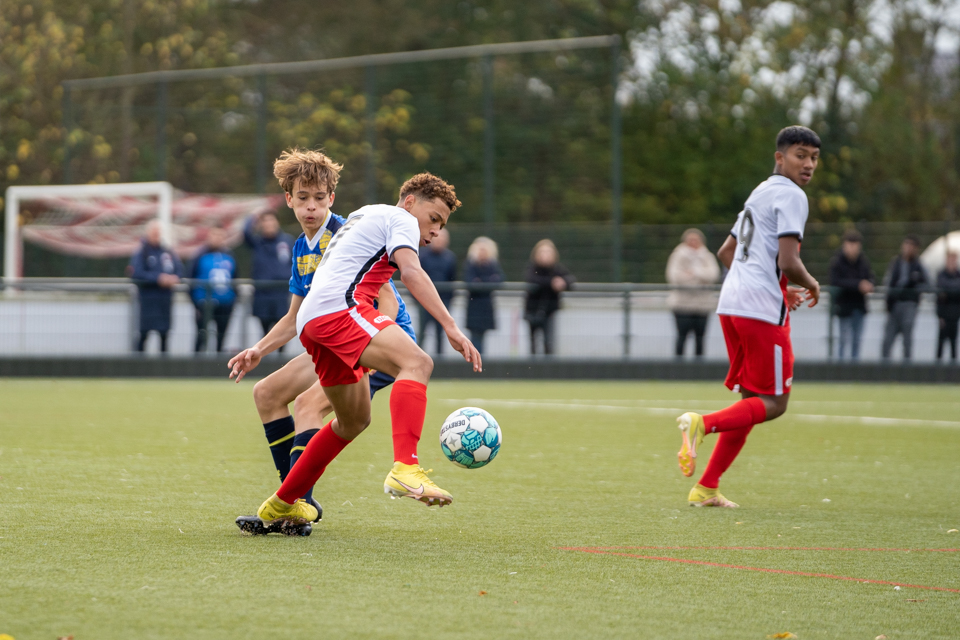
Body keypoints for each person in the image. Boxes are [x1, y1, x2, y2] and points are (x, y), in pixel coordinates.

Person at [236, 173, 480, 529]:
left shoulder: (364, 215)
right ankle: (406, 468)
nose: (435, 231)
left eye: (441, 225)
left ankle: (283, 502)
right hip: (340, 311)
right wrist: (451, 327)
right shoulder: (400, 219)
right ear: (410, 202)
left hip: (313, 322)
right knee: (418, 361)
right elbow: (411, 272)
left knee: (353, 421)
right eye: (434, 219)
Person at [674, 125, 822, 508]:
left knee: (750, 402)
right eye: (800, 155)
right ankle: (701, 423)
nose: (808, 164)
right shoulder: (793, 196)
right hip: (759, 311)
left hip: (732, 304)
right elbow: (789, 262)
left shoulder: (760, 191)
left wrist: (776, 286)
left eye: (814, 158)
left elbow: (726, 252)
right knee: (775, 403)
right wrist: (811, 283)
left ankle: (706, 487)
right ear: (780, 157)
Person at [129, 220, 183, 353]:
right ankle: (138, 367)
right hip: (147, 301)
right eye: (154, 233)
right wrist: (158, 278)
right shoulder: (141, 252)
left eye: (158, 233)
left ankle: (164, 369)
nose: (156, 236)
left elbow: (180, 270)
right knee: (144, 334)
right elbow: (137, 273)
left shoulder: (167, 252)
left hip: (164, 301)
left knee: (164, 335)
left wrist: (174, 278)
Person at [665, 228, 721, 357]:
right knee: (682, 336)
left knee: (700, 338)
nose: (693, 242)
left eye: (696, 239)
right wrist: (700, 280)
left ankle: (699, 370)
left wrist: (694, 272)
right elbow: (674, 277)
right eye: (690, 239)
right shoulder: (677, 255)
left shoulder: (707, 256)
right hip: (682, 305)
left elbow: (713, 275)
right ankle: (678, 368)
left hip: (702, 305)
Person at [244, 211, 295, 341]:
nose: (269, 225)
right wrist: (253, 218)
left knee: (282, 326)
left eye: (271, 221)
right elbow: (245, 233)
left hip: (281, 292)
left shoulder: (287, 241)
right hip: (262, 293)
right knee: (265, 327)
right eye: (265, 222)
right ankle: (264, 356)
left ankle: (280, 359)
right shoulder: (258, 242)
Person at [829, 229, 875, 359]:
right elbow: (836, 281)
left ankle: (854, 371)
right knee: (843, 340)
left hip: (859, 307)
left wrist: (869, 285)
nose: (853, 248)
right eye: (850, 244)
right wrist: (858, 285)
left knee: (857, 341)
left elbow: (871, 278)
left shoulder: (863, 261)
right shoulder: (837, 261)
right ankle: (841, 371)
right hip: (844, 308)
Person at [881, 235, 928, 360]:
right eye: (906, 244)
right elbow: (888, 282)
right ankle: (883, 370)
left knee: (907, 338)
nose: (908, 248)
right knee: (888, 339)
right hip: (894, 305)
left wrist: (915, 287)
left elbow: (927, 284)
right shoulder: (895, 263)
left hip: (909, 305)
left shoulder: (918, 266)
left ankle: (907, 369)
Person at [190, 227, 237, 353]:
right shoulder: (200, 255)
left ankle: (219, 364)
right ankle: (198, 363)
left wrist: (233, 300)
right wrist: (195, 302)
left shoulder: (229, 256)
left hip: (225, 302)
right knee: (202, 334)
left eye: (220, 236)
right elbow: (191, 278)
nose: (217, 239)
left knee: (222, 334)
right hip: (204, 301)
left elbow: (235, 279)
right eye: (214, 235)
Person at [524, 239, 574, 355]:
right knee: (533, 342)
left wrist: (563, 283)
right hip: (533, 309)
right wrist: (552, 283)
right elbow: (533, 280)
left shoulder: (557, 269)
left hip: (549, 311)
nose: (545, 256)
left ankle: (548, 369)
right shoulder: (532, 268)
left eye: (548, 253)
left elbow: (570, 280)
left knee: (549, 341)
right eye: (542, 252)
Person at [417, 227, 457, 355]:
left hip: (443, 301)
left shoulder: (450, 258)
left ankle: (440, 360)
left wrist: (449, 300)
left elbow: (453, 279)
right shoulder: (422, 255)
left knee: (442, 332)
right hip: (423, 301)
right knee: (422, 331)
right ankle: (417, 357)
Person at [463, 236, 504, 355]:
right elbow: (471, 282)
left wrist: (481, 282)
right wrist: (487, 281)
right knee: (475, 336)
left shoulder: (492, 265)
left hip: (486, 306)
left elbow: (499, 280)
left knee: (482, 336)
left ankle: (479, 361)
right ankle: (474, 360)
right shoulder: (471, 264)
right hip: (474, 306)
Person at [936, 251, 960, 362]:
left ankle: (954, 374)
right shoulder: (941, 274)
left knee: (953, 343)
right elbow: (940, 292)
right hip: (944, 314)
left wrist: (948, 290)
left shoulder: (957, 274)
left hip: (955, 314)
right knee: (940, 343)